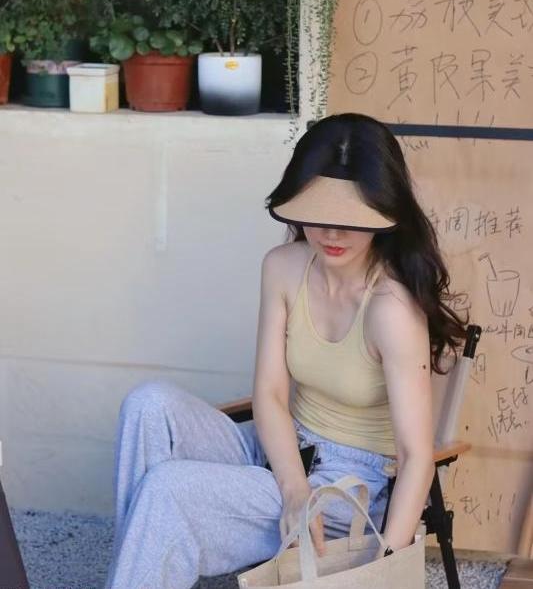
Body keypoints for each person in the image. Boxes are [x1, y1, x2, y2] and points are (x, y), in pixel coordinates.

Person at [105, 113, 468, 589]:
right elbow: (271, 395)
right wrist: (293, 487)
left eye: (349, 221)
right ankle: (138, 570)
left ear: (383, 214)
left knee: (169, 489)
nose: (331, 235)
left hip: (344, 487)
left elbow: (416, 454)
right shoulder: (282, 267)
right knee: (148, 405)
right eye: (318, 215)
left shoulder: (390, 309)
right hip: (280, 446)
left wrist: (385, 564)